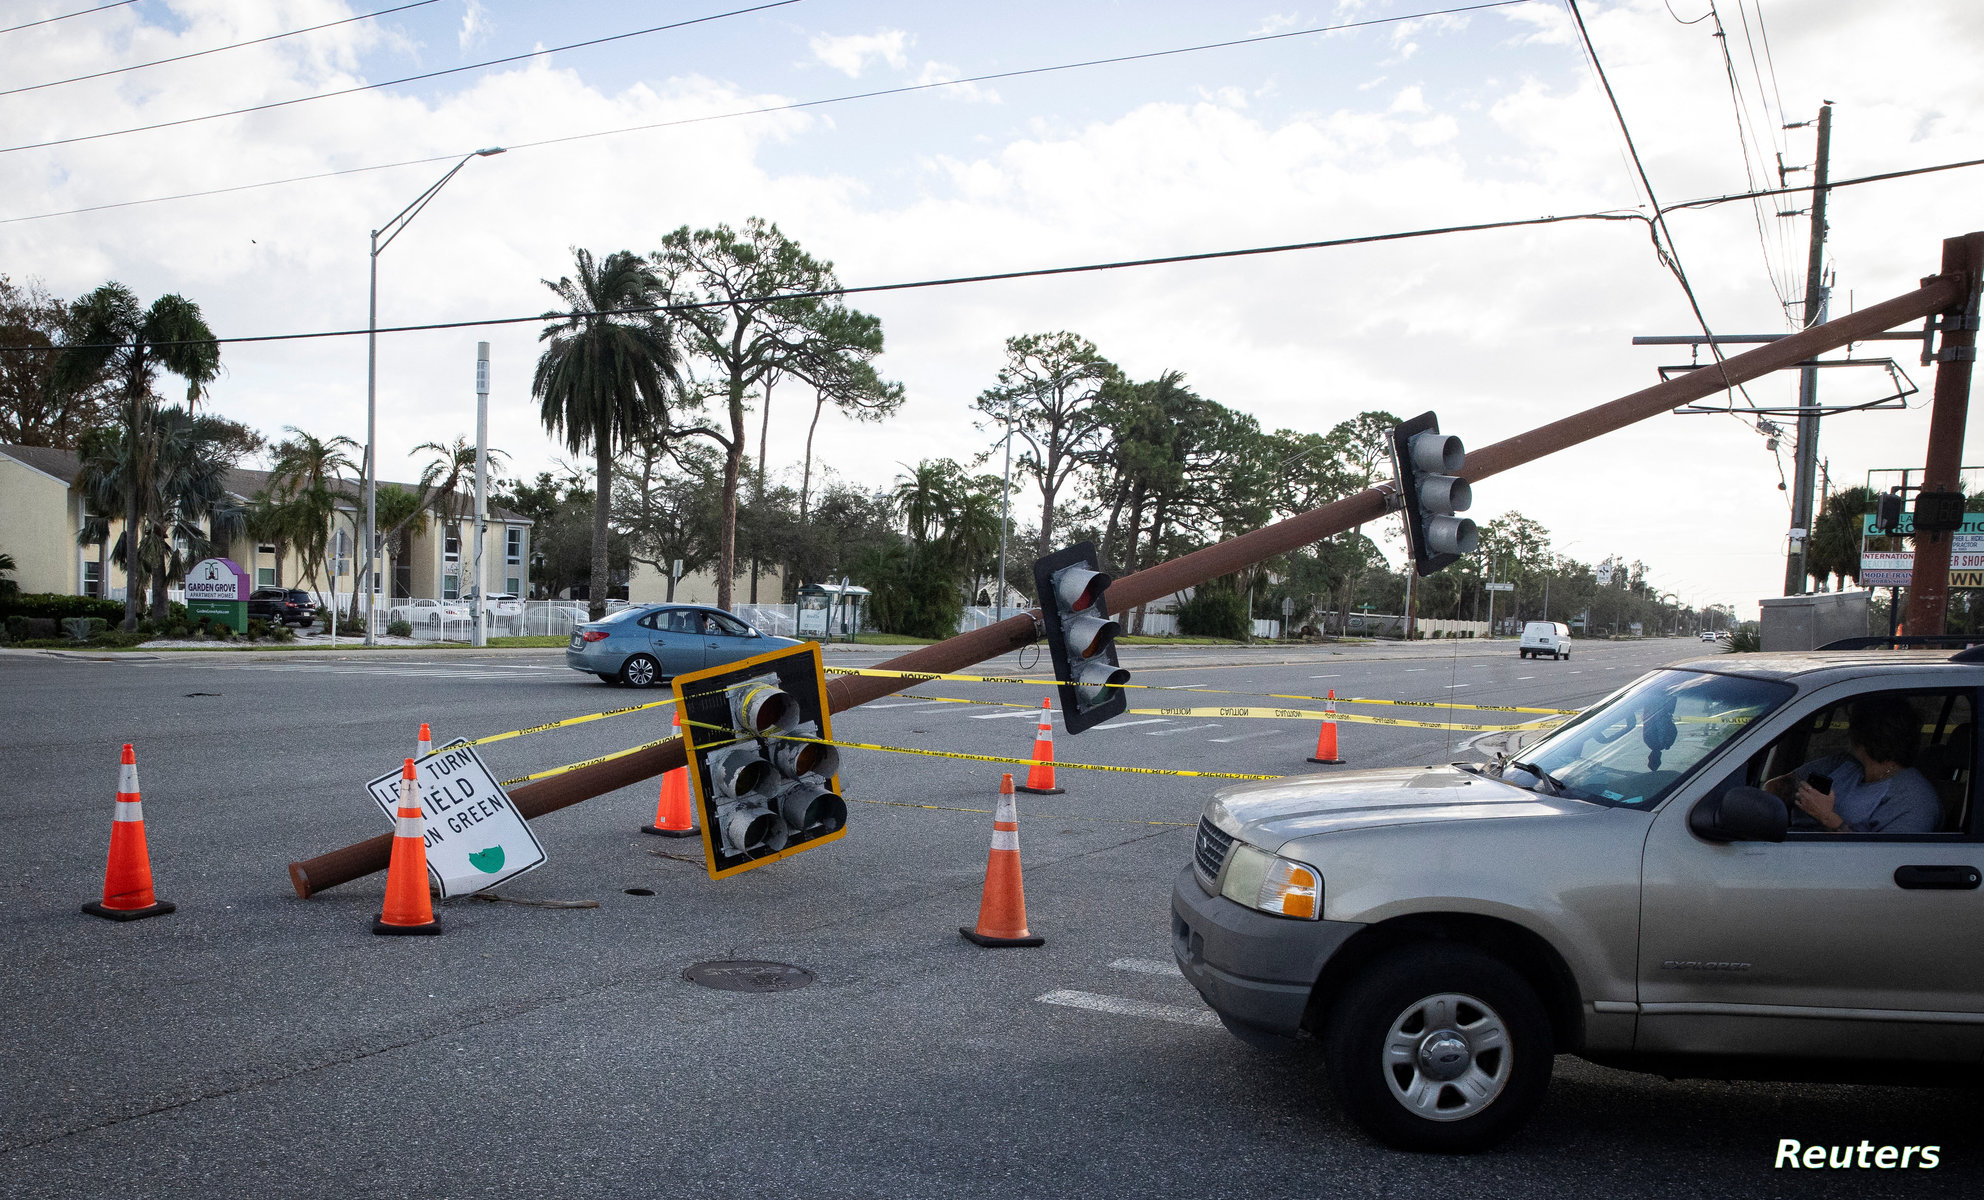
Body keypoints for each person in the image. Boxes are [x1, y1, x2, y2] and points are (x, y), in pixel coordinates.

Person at [1765, 695, 1942, 834]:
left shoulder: (1914, 798)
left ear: (1861, 735)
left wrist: (1827, 817)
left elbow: (1885, 862)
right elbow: (1773, 788)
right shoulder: (1844, 764)